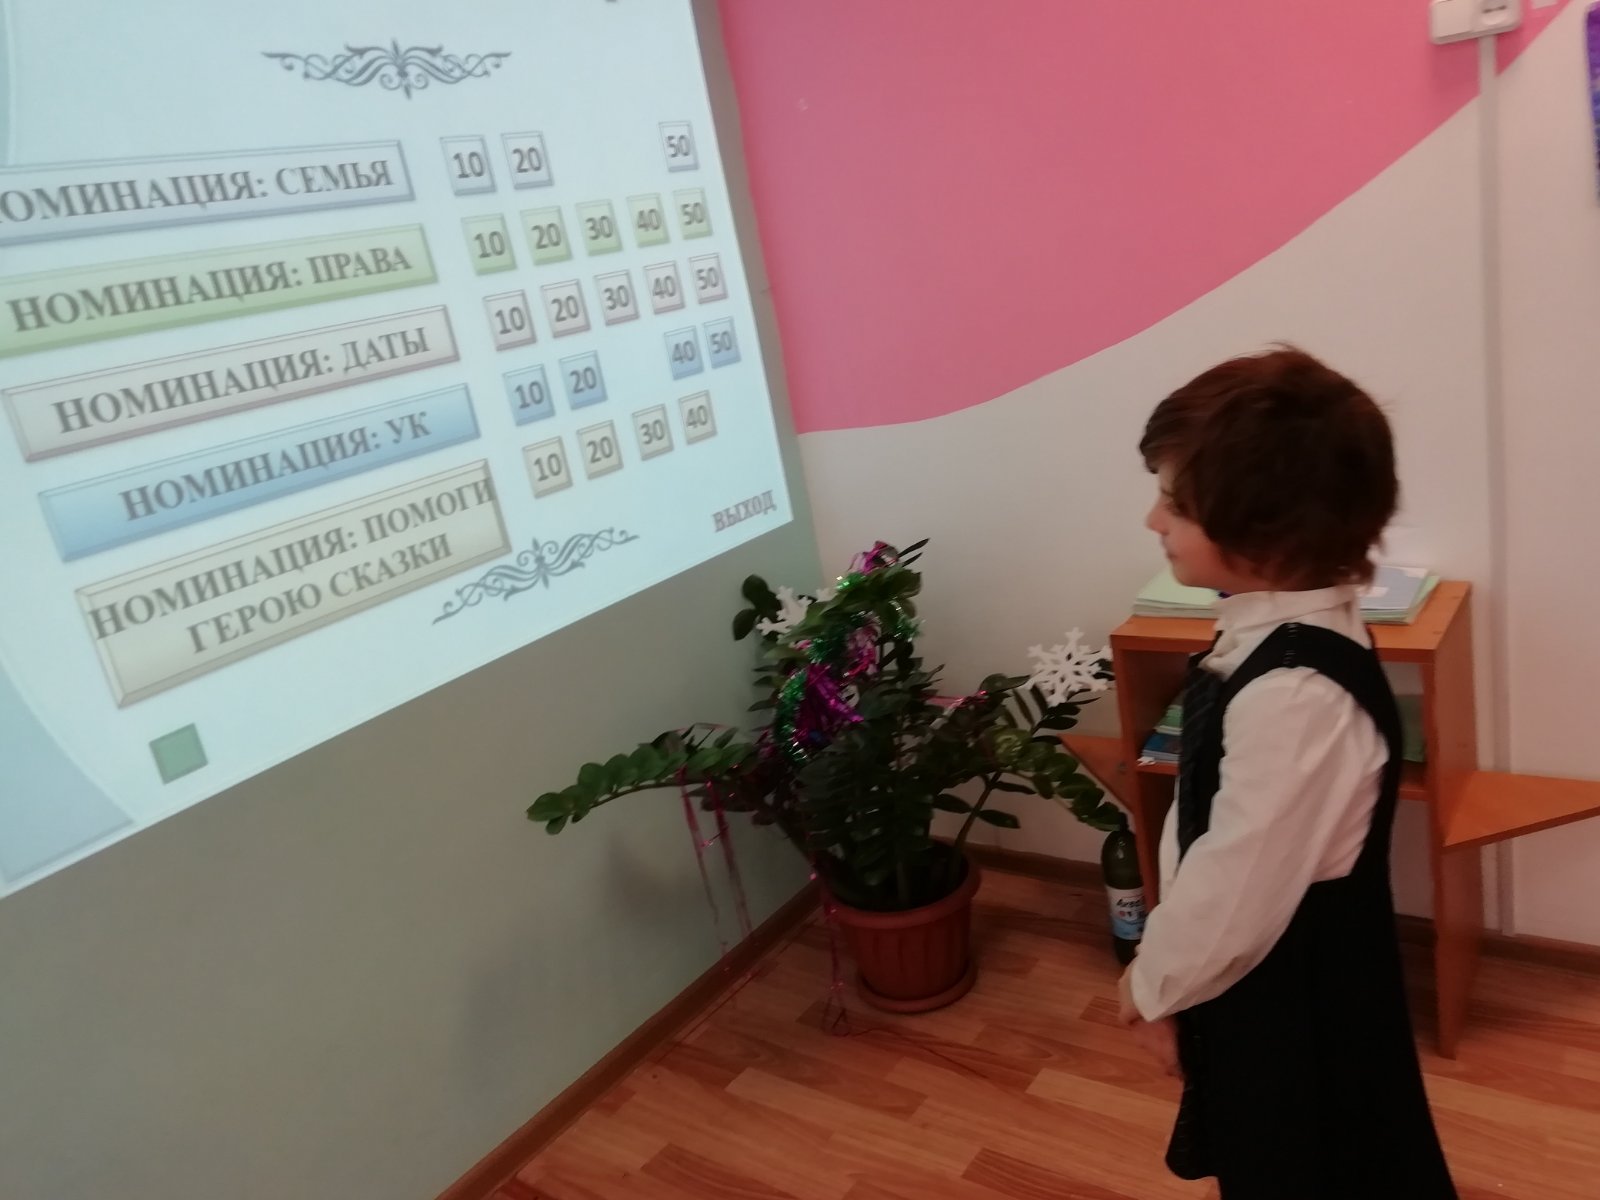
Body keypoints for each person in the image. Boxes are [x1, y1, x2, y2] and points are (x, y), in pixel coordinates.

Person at [1116, 347, 1458, 1198]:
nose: (1153, 521)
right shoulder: (1273, 640)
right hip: (1271, 972)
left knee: (1309, 1162)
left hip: (1295, 995)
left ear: (1264, 534)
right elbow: (1207, 822)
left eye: (1175, 503)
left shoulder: (1296, 693)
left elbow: (1236, 890)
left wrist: (1153, 984)